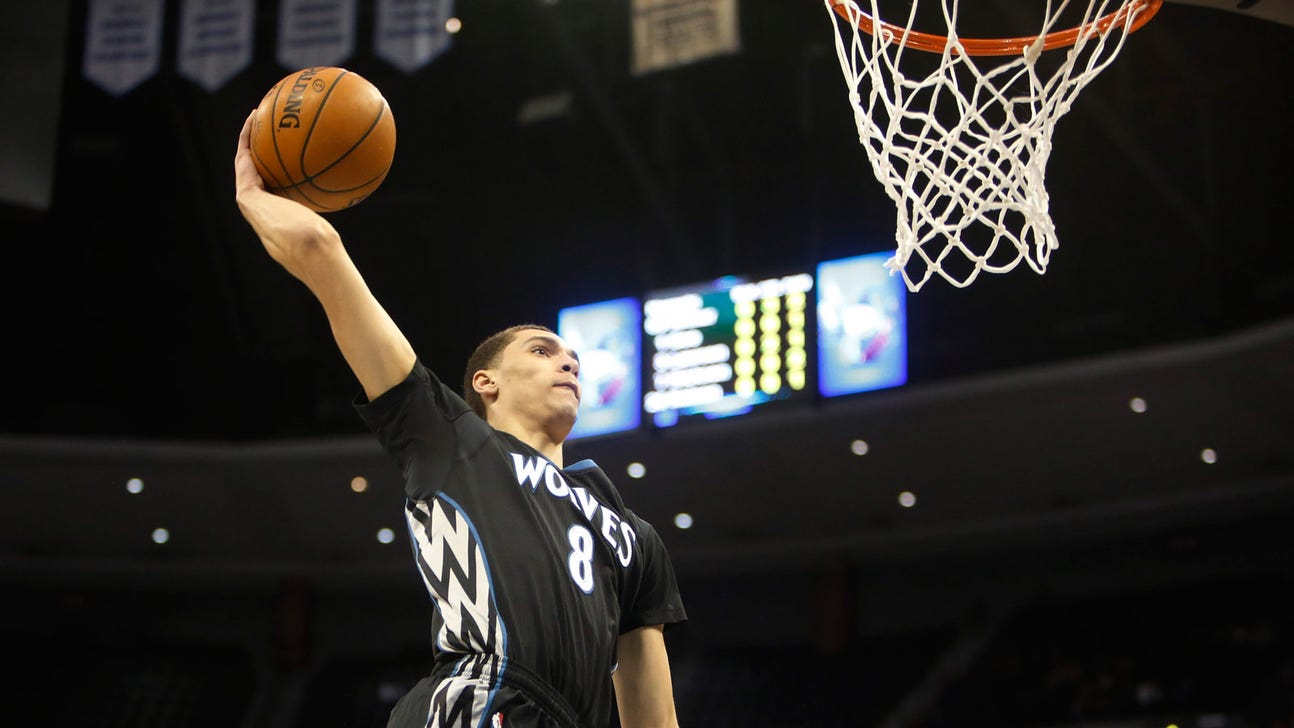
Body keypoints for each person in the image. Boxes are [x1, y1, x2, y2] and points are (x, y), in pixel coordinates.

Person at [233, 111, 687, 728]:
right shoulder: (452, 440)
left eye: (574, 359)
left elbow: (653, 715)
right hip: (477, 701)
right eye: (542, 350)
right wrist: (252, 195)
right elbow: (319, 249)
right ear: (484, 383)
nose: (568, 362)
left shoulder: (634, 536)